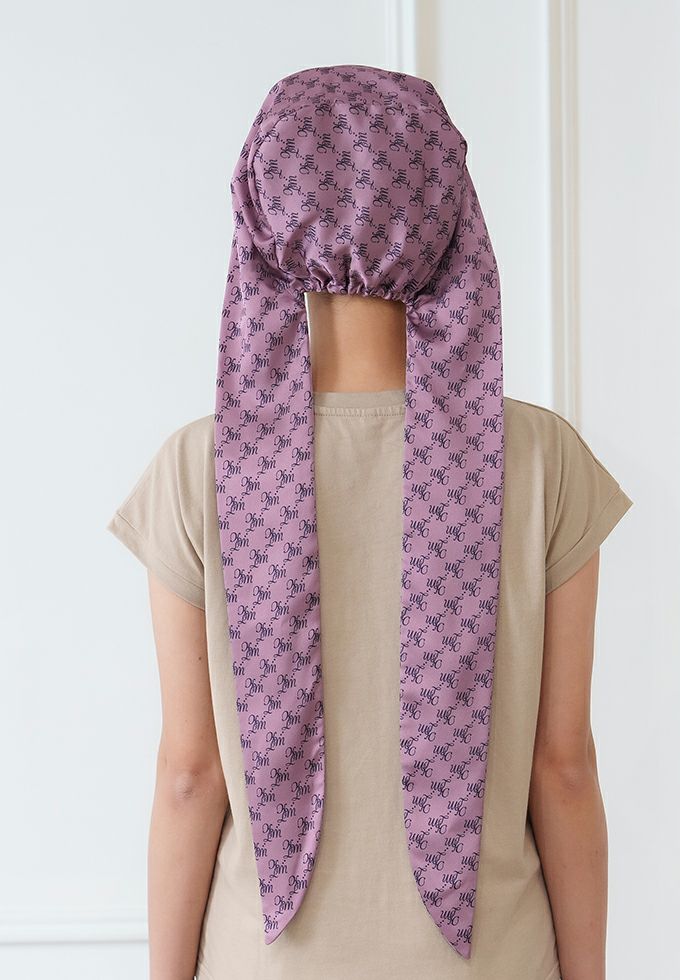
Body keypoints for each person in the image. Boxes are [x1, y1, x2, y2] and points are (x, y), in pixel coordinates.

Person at [106, 65, 633, 980]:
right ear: (447, 216)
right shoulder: (543, 459)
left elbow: (190, 776)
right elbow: (564, 769)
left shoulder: (198, 467)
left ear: (262, 217)